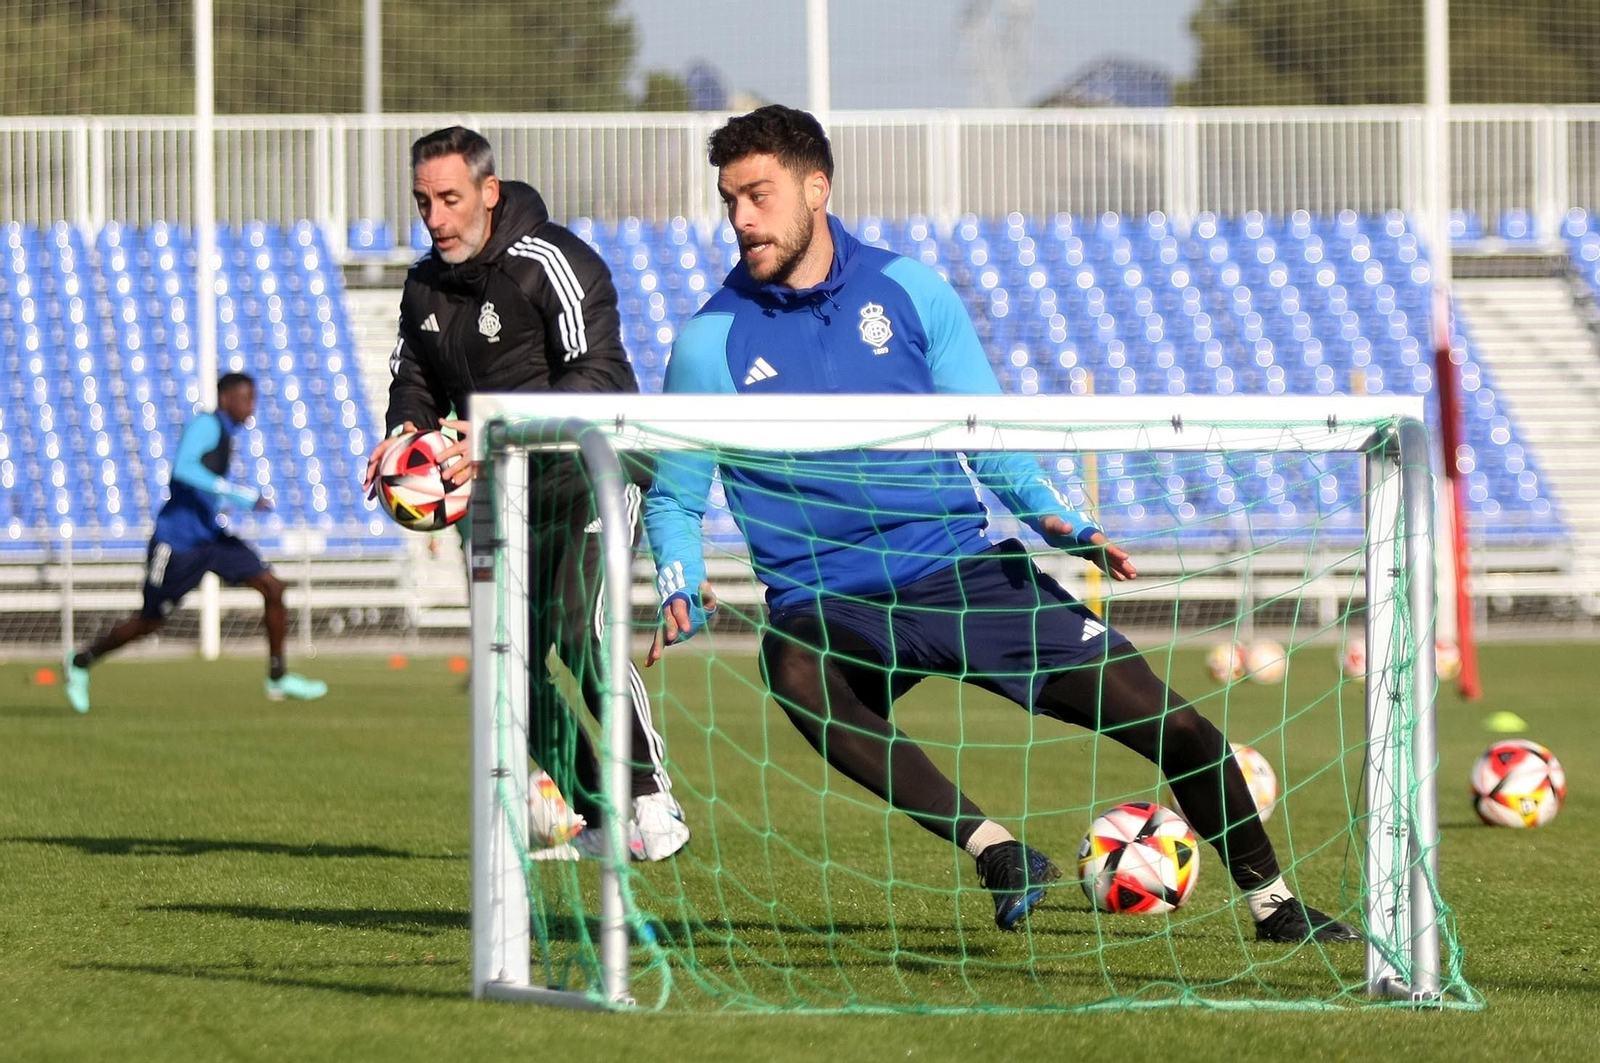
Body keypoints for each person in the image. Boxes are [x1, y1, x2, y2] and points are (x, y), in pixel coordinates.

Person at [642, 104, 1359, 941]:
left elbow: (988, 435)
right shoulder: (710, 341)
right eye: (729, 201)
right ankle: (996, 848)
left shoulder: (910, 292)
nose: (741, 219)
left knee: (1178, 726)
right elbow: (676, 495)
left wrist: (1059, 521)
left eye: (757, 196)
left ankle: (1274, 904)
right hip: (828, 599)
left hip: (958, 570)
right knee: (791, 667)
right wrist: (678, 580)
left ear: (816, 186)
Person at [362, 126, 687, 861]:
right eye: (423, 203)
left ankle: (652, 796)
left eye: (449, 199)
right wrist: (402, 436)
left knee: (583, 628)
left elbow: (604, 377)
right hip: (511, 492)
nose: (436, 218)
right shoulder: (424, 288)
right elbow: (412, 378)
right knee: (506, 663)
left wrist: (499, 427)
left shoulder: (554, 261)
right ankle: (600, 815)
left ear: (488, 191)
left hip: (596, 471)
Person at [63, 373, 327, 710]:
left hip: (210, 539)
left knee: (273, 587)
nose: (252, 406)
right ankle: (81, 662)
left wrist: (231, 501)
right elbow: (183, 469)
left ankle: (278, 677)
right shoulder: (207, 425)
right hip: (176, 544)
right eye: (247, 398)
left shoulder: (227, 434)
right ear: (226, 399)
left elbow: (204, 485)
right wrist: (238, 494)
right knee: (149, 621)